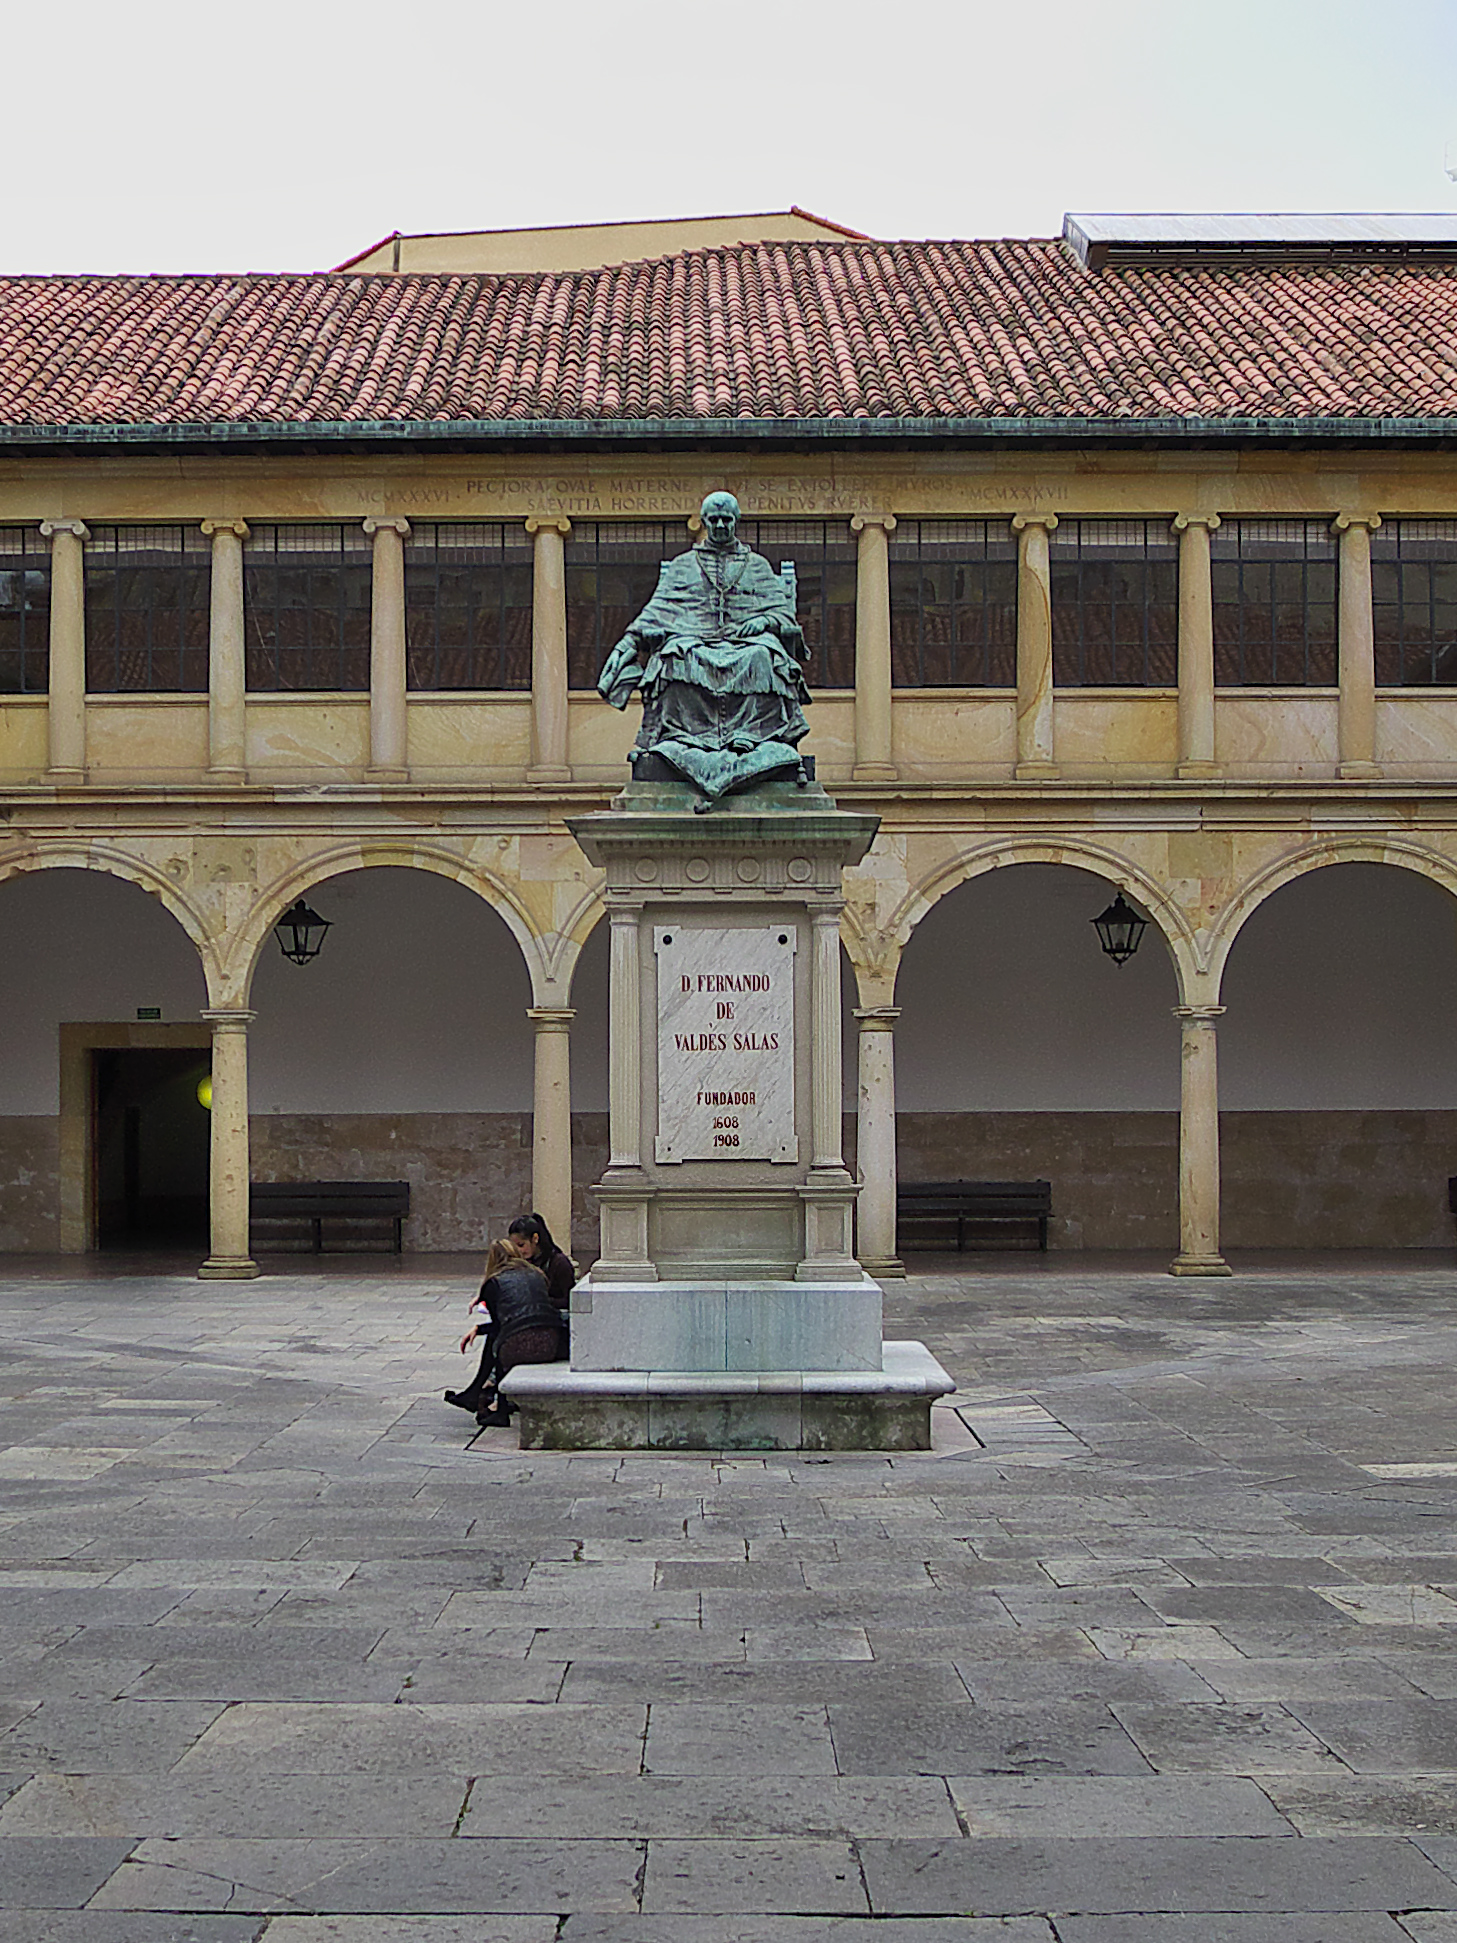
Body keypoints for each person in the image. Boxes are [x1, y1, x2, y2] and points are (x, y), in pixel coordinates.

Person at [596, 491, 813, 805]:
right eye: (715, 520)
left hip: (747, 642)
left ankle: (753, 734)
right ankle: (681, 737)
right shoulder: (685, 565)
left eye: (727, 520)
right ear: (704, 522)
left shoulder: (757, 564)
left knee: (764, 656)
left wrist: (764, 621)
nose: (721, 525)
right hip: (693, 639)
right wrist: (629, 642)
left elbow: (784, 616)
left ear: (736, 521)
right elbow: (658, 610)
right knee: (674, 657)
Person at [444, 1237, 564, 1427]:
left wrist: (479, 1328)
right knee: (504, 1336)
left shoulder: (493, 1283)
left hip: (519, 1347)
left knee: (500, 1338)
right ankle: (476, 1393)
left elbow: (499, 1326)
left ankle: (495, 1406)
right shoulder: (537, 1274)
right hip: (551, 1342)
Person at [507, 1211, 575, 1323]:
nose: (519, 1251)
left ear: (535, 1239)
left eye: (521, 1245)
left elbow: (570, 1300)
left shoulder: (559, 1263)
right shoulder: (521, 1263)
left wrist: (541, 1301)